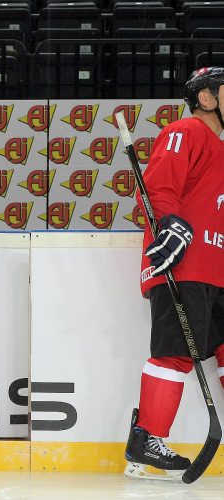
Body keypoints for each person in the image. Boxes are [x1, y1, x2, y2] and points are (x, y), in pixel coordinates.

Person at [124, 67, 224, 480]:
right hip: (184, 264)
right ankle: (146, 438)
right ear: (206, 98)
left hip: (218, 269)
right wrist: (171, 225)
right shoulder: (187, 131)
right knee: (174, 352)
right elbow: (158, 187)